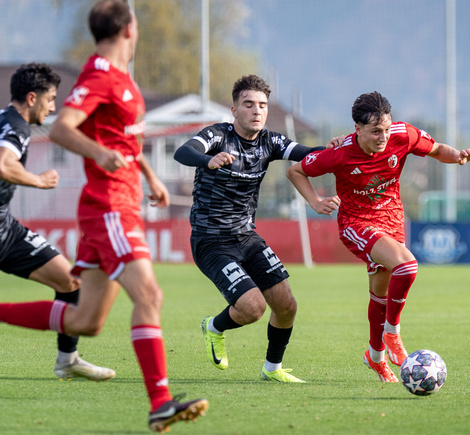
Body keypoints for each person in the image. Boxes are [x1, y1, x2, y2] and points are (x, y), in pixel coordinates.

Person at [0, 1, 207, 432]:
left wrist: (150, 175)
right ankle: (161, 401)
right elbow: (60, 128)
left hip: (125, 201)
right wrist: (99, 155)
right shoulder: (98, 74)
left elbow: (124, 141)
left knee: (85, 320)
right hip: (109, 206)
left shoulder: (122, 81)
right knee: (149, 296)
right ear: (130, 29)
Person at [287, 91, 470, 383]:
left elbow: (437, 148)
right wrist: (315, 202)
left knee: (379, 294)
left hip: (392, 221)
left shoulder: (404, 135)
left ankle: (375, 356)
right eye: (376, 131)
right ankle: (392, 333)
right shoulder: (340, 152)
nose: (384, 137)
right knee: (407, 266)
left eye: (387, 129)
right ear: (357, 129)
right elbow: (296, 170)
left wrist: (457, 156)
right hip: (356, 224)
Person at [174, 74, 339, 383]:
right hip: (211, 241)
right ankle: (214, 328)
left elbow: (306, 154)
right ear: (234, 110)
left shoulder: (270, 141)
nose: (256, 111)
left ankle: (272, 369)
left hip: (247, 237)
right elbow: (183, 151)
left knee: (286, 305)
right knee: (252, 308)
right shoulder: (217, 136)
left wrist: (333, 150)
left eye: (262, 105)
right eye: (248, 104)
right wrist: (207, 160)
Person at [0, 62, 115, 382]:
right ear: (33, 98)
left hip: (6, 230)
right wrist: (39, 181)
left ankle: (68, 359)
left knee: (69, 281)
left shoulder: (3, 120)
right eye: (51, 100)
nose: (53, 108)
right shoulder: (18, 127)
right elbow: (3, 165)